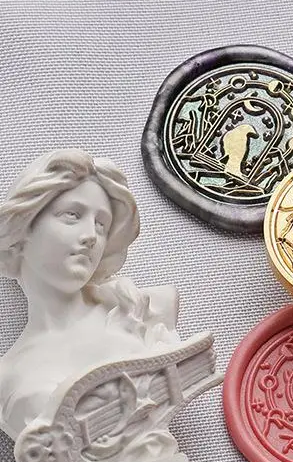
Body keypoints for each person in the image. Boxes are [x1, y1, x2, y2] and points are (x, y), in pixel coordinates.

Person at [0, 150, 181, 443]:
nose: (91, 236)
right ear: (24, 225)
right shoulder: (9, 375)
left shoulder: (143, 309)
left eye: (101, 225)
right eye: (72, 215)